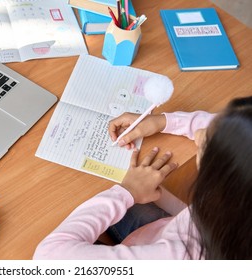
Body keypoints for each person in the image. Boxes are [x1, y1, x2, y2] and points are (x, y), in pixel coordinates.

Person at [33, 96, 252, 259]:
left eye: (208, 143)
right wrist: (163, 122)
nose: (200, 135)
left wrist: (128, 192)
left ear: (219, 180)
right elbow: (242, 128)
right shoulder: (238, 205)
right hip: (174, 228)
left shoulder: (178, 256)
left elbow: (49, 257)